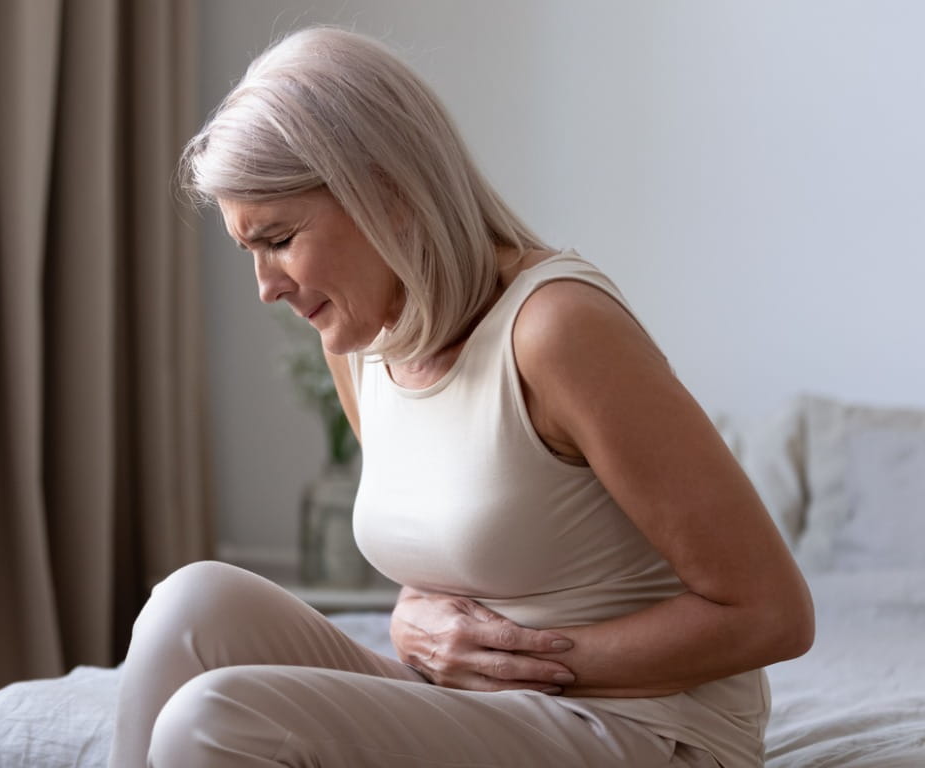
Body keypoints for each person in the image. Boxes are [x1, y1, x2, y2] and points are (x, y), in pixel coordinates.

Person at [107, 25, 814, 768]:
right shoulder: (360, 339)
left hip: (647, 731)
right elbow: (453, 558)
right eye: (249, 249)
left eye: (279, 239)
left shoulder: (557, 331)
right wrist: (413, 622)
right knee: (190, 606)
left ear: (384, 190)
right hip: (485, 712)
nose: (266, 287)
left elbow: (772, 614)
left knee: (216, 721)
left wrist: (526, 661)